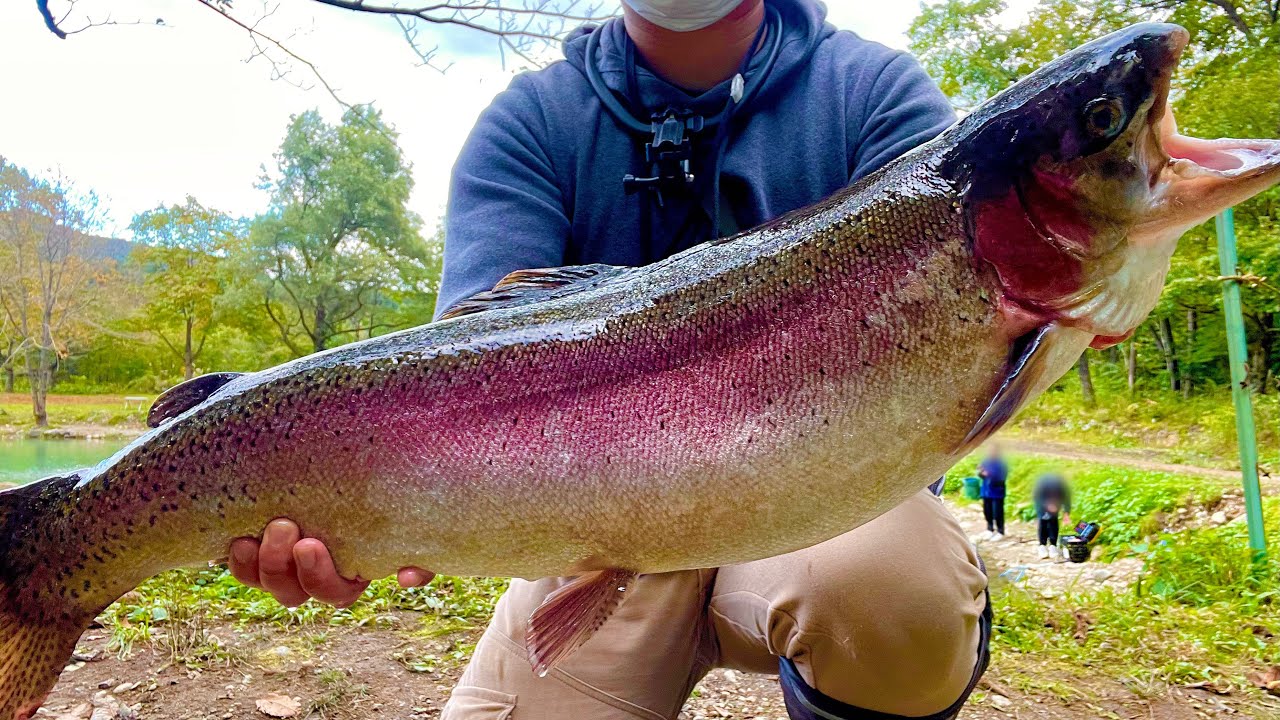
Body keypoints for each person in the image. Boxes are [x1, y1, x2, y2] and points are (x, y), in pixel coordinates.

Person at [226, 2, 993, 718]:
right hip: (589, 545)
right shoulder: (532, 122)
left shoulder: (872, 92)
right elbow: (455, 382)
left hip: (826, 518)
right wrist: (374, 511)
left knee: (898, 594)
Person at [1032, 472, 1072, 561]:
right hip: (1041, 504)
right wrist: (1047, 505)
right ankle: (1042, 545)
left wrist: (1066, 513)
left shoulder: (1063, 488)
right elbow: (1038, 497)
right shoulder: (1043, 485)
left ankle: (1053, 545)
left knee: (1053, 522)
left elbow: (1067, 500)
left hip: (1054, 506)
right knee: (1043, 522)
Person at [977, 445, 1007, 541]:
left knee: (997, 512)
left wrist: (989, 474)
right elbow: (981, 475)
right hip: (986, 492)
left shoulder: (1001, 464)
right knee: (987, 511)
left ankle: (1000, 531)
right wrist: (981, 472)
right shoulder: (985, 461)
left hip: (997, 493)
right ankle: (989, 529)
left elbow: (1001, 479)